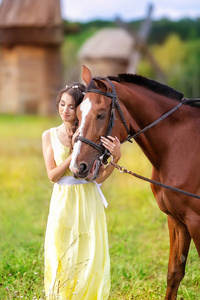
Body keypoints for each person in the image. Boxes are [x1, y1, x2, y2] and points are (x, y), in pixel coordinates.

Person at [42, 83, 121, 300]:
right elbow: (52, 175)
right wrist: (74, 155)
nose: (65, 110)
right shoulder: (49, 135)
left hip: (88, 199)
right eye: (62, 104)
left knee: (90, 250)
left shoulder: (90, 137)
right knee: (62, 249)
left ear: (78, 109)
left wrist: (116, 159)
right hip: (63, 200)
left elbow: (99, 177)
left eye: (70, 106)